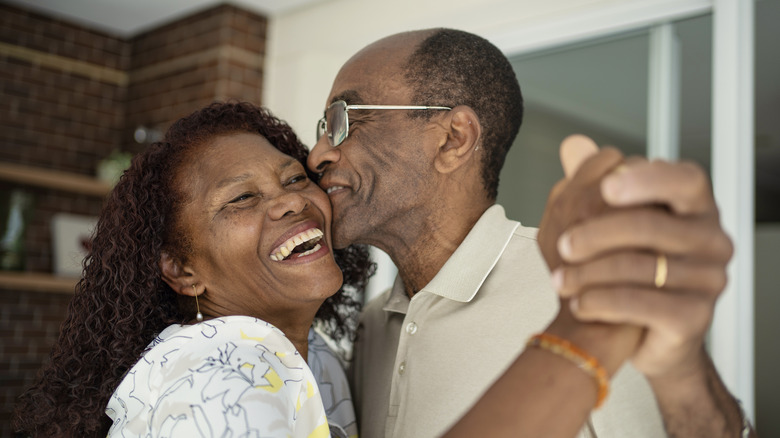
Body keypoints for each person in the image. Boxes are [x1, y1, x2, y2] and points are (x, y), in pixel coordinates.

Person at [307, 28, 753, 437]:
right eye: (323, 129)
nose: (318, 154)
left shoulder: (579, 291)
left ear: (453, 139)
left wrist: (683, 371)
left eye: (344, 118)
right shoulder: (373, 325)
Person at [12, 102, 373, 437]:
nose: (293, 200)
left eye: (295, 179)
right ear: (182, 270)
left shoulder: (315, 353)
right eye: (242, 198)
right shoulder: (226, 376)